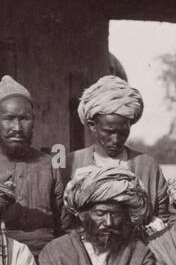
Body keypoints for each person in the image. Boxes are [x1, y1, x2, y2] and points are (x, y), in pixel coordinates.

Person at [0, 75, 66, 256]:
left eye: (24, 118)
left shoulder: (48, 165)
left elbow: (64, 225)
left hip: (45, 259)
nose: (17, 127)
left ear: (33, 121)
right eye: (9, 118)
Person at [67, 74, 168, 235]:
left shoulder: (147, 165)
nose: (115, 139)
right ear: (92, 126)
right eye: (109, 131)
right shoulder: (72, 162)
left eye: (122, 132)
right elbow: (65, 222)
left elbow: (163, 216)